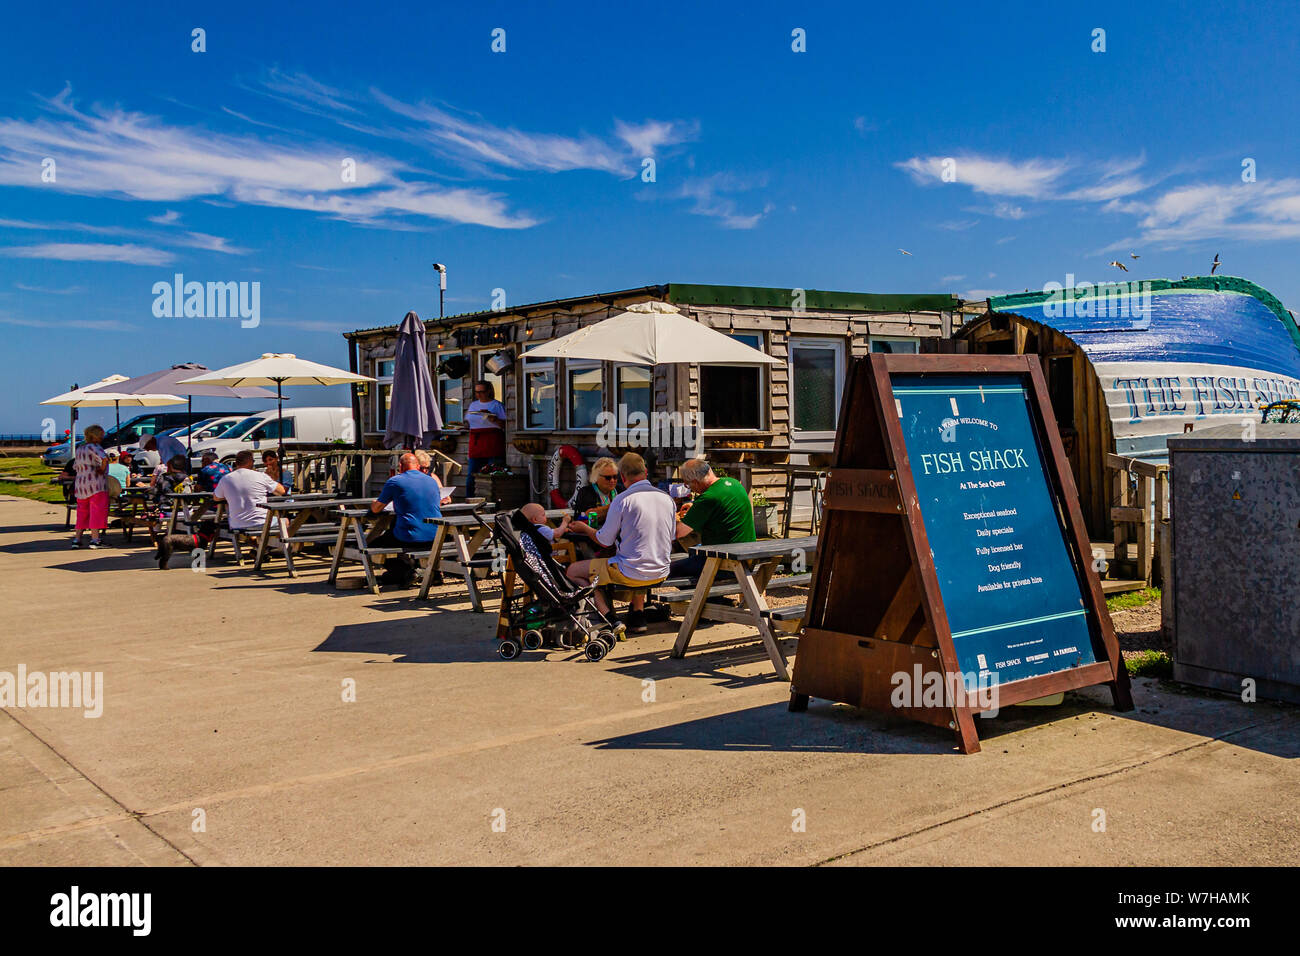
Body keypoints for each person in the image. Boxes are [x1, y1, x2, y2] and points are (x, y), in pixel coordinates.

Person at [565, 452, 676, 632]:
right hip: (662, 571)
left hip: (630, 572)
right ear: (646, 472)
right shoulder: (667, 499)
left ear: (622, 477)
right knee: (636, 556)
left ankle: (609, 618)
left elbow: (604, 540)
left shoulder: (622, 499)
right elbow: (671, 537)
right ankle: (637, 614)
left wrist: (584, 528)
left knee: (572, 571)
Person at [670, 458, 755, 582]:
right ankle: (712, 598)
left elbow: (678, 533)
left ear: (696, 482)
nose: (690, 488)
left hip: (725, 563)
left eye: (688, 485)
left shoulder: (707, 499)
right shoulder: (734, 483)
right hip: (748, 555)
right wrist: (695, 506)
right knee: (695, 552)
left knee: (669, 570)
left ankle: (711, 599)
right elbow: (721, 503)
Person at [368, 452, 443, 586]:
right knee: (394, 530)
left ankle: (404, 572)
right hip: (436, 534)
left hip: (410, 536)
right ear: (418, 466)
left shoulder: (395, 481)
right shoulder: (431, 481)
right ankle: (424, 572)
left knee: (374, 544)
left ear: (401, 466)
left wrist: (374, 502)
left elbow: (376, 509)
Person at [213, 449, 285, 532]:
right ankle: (276, 544)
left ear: (237, 463)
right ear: (250, 462)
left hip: (236, 524)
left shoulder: (226, 479)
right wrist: (271, 477)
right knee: (285, 521)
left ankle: (261, 542)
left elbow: (216, 498)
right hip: (261, 522)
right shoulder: (260, 476)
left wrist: (231, 495)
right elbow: (281, 491)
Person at [464, 380, 506, 498]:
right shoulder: (473, 405)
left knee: (492, 474)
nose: (479, 395)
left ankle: (492, 500)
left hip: (492, 442)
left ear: (489, 391)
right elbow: (469, 422)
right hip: (476, 443)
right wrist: (464, 426)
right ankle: (469, 500)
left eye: (482, 392)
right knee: (471, 476)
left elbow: (504, 425)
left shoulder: (496, 405)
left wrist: (494, 419)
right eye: (477, 392)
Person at [72, 424, 109, 549]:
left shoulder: (80, 449)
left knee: (82, 512)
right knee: (96, 511)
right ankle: (95, 539)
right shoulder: (95, 447)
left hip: (81, 485)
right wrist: (102, 469)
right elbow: (104, 458)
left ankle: (77, 539)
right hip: (96, 484)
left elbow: (75, 466)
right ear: (97, 436)